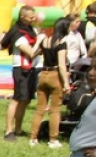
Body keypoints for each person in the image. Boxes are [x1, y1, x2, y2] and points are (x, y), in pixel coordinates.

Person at [30, 18, 72, 148]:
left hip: (43, 74)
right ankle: (53, 139)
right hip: (55, 76)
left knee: (39, 109)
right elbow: (61, 65)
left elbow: (33, 54)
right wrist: (66, 83)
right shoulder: (62, 43)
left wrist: (38, 41)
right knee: (55, 110)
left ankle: (33, 138)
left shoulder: (45, 41)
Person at [2, 6, 41, 141]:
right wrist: (42, 42)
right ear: (23, 17)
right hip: (21, 69)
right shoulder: (18, 33)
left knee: (26, 100)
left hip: (32, 69)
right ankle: (8, 131)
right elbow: (30, 52)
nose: (33, 18)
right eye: (31, 17)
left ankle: (18, 129)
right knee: (17, 99)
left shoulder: (31, 30)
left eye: (34, 16)